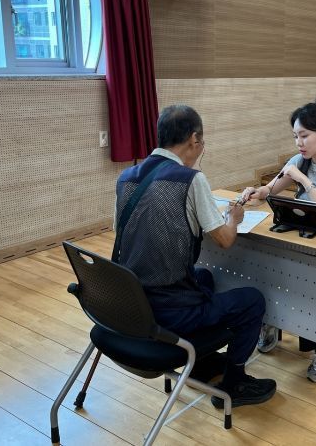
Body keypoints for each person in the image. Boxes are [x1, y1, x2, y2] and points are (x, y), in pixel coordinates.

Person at [114, 104, 276, 408]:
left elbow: (127, 234)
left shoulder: (126, 178)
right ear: (193, 139)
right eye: (202, 142)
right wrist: (234, 218)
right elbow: (225, 239)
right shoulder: (190, 179)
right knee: (252, 300)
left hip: (135, 304)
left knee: (203, 275)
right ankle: (235, 383)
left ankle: (200, 361)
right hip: (170, 312)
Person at [242, 102, 316, 383]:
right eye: (295, 136)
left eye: (304, 136)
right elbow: (269, 190)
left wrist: (304, 181)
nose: (299, 143)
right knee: (271, 268)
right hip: (309, 236)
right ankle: (271, 320)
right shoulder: (299, 162)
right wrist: (256, 192)